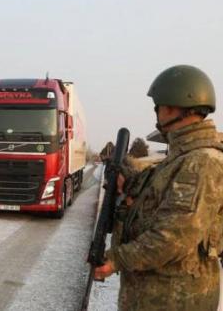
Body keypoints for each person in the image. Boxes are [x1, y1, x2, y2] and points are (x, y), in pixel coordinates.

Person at [95, 65, 223, 310]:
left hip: (173, 299)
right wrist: (129, 180)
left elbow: (173, 238)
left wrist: (115, 261)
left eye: (158, 106)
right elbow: (154, 202)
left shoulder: (201, 162)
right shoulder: (180, 159)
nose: (157, 113)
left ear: (173, 106)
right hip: (155, 296)